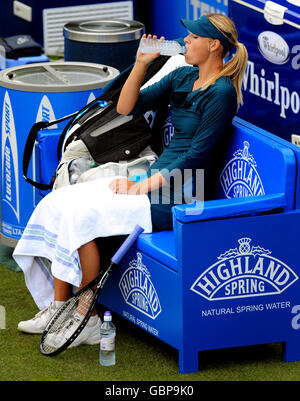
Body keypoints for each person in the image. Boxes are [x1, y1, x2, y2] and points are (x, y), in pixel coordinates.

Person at [14, 13, 248, 347]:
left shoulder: (221, 93)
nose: (185, 42)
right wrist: (140, 63)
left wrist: (141, 186)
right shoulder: (183, 76)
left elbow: (195, 156)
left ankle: (86, 319)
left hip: (184, 193)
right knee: (61, 201)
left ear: (213, 45)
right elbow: (124, 107)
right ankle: (57, 307)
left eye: (193, 37)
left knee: (82, 218)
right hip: (153, 181)